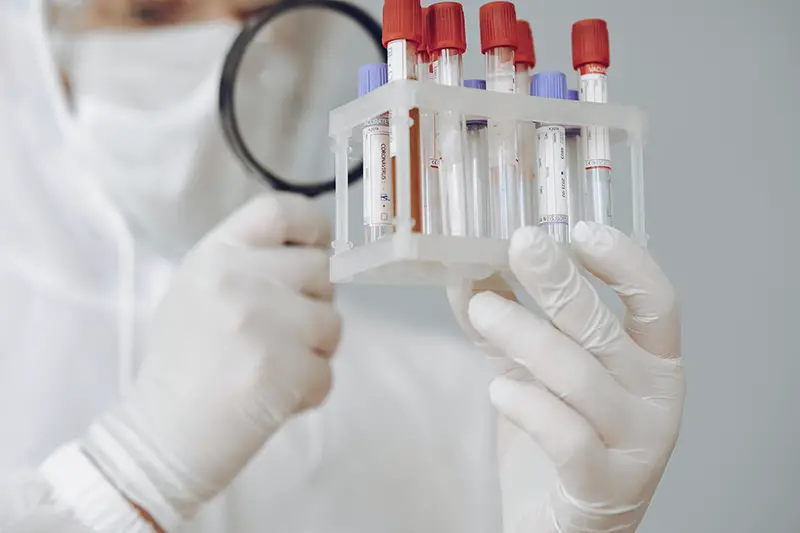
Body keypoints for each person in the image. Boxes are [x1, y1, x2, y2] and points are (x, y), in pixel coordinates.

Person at [0, 1, 685, 532]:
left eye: (259, 17)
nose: (217, 55)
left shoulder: (466, 401)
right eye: (151, 9)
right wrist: (122, 479)